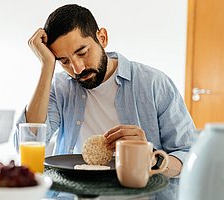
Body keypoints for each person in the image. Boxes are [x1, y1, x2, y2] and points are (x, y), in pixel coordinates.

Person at [15, 4, 195, 177]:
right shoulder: (60, 87)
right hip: (72, 193)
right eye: (64, 61)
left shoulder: (154, 83)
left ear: (102, 38)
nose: (77, 69)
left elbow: (189, 156)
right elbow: (27, 145)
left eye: (82, 52)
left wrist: (150, 158)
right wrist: (47, 66)